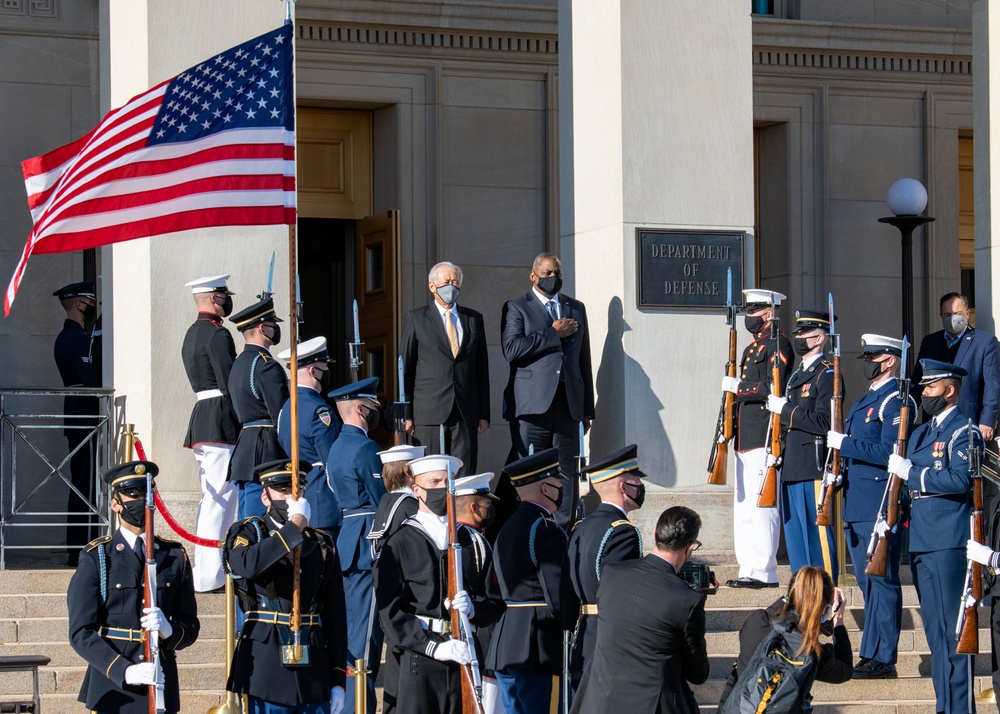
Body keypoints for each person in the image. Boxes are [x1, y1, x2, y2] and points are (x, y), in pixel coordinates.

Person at [67, 461, 200, 713]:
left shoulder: (173, 554)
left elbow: (190, 624)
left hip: (160, 678)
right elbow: (80, 632)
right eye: (134, 494)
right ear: (116, 503)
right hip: (114, 685)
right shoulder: (98, 556)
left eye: (147, 493)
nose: (142, 501)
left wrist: (170, 630)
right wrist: (124, 670)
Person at [886, 359, 980, 714]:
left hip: (949, 541)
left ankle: (960, 709)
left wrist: (913, 473)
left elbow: (960, 480)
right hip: (923, 541)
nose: (924, 393)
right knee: (937, 637)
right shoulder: (923, 433)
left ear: (949, 389)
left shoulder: (963, 431)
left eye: (930, 387)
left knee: (954, 634)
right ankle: (946, 706)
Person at [374, 457, 503, 713]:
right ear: (416, 490)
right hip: (420, 657)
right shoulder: (399, 543)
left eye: (447, 482)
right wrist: (433, 646)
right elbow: (390, 614)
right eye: (434, 481)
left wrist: (475, 610)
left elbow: (496, 603)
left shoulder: (473, 541)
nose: (441, 488)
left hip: (465, 653)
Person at [223, 459, 347, 714]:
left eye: (297, 490)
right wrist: (294, 527)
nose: (291, 496)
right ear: (265, 496)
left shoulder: (321, 543)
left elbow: (335, 616)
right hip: (267, 667)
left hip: (314, 667)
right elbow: (248, 565)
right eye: (282, 489)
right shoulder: (248, 533)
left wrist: (338, 679)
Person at [826, 334, 913, 679]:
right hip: (857, 502)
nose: (867, 361)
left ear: (890, 360)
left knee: (883, 582)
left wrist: (845, 444)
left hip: (879, 503)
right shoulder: (868, 399)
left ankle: (884, 658)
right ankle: (872, 653)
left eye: (873, 356)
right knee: (868, 584)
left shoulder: (895, 400)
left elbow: (890, 453)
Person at [570, 506, 708, 714]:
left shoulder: (611, 575)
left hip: (599, 701)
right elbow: (697, 673)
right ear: (689, 548)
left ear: (655, 534)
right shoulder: (687, 599)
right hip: (652, 706)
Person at [501, 252, 594, 528]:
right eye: (547, 273)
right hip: (532, 408)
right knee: (530, 475)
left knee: (565, 476)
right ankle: (528, 534)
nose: (553, 278)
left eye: (557, 273)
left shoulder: (575, 308)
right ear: (533, 276)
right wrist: (553, 333)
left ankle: (561, 535)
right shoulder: (517, 307)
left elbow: (583, 361)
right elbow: (512, 349)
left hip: (567, 408)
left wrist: (587, 409)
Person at [486, 448, 578, 713]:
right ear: (545, 488)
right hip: (537, 646)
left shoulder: (506, 528)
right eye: (558, 482)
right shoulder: (545, 528)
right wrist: (569, 626)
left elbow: (493, 589)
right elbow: (558, 593)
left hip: (506, 642)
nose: (561, 487)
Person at [721, 289, 793, 588]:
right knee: (745, 507)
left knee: (763, 506)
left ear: (770, 312)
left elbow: (773, 386)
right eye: (747, 311)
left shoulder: (779, 343)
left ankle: (764, 571)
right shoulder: (754, 348)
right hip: (744, 435)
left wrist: (740, 387)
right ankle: (747, 567)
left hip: (764, 432)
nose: (749, 316)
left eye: (754, 311)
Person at [324, 376, 386, 714]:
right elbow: (381, 501)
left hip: (348, 537)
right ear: (361, 409)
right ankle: (357, 707)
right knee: (364, 638)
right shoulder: (365, 448)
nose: (376, 413)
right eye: (373, 407)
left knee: (349, 634)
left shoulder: (335, 447)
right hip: (367, 543)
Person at [766, 309, 841, 581]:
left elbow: (824, 422)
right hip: (792, 466)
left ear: (820, 338)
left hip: (813, 467)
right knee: (797, 542)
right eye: (797, 333)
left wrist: (785, 410)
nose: (799, 338)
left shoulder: (827, 373)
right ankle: (803, 601)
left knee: (817, 542)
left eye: (804, 333)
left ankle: (827, 602)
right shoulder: (797, 375)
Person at [716, 566, 852, 712]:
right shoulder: (811, 650)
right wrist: (838, 619)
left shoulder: (757, 621)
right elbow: (845, 670)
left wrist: (786, 599)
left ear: (791, 592)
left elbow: (774, 616)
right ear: (825, 609)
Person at [566, 444, 645, 691]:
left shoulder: (581, 527)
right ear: (624, 486)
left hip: (583, 640)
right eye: (637, 481)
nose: (641, 487)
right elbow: (621, 595)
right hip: (610, 643)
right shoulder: (623, 531)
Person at [180, 273, 240, 592]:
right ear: (216, 298)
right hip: (219, 422)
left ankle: (206, 572)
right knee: (221, 499)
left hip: (203, 419)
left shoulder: (192, 333)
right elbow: (230, 383)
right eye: (224, 295)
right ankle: (211, 575)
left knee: (211, 498)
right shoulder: (218, 334)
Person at [401, 261, 491, 473]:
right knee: (432, 475)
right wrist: (406, 413)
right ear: (432, 286)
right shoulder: (416, 319)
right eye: (446, 282)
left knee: (464, 475)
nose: (451, 286)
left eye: (455, 282)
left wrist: (484, 413)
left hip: (465, 411)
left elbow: (481, 369)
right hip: (429, 412)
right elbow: (405, 368)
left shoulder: (473, 319)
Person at [367, 443, 425, 714]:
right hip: (408, 597)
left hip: (388, 597)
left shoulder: (387, 502)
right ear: (407, 471)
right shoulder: (409, 506)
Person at [53, 280, 102, 565]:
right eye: (90, 301)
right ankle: (80, 548)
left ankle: (81, 545)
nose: (92, 307)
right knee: (84, 484)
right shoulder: (74, 337)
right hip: (83, 416)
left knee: (83, 482)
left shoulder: (70, 335)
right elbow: (91, 381)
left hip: (78, 416)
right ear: (79, 303)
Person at [227, 296, 289, 519]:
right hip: (265, 447)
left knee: (247, 517)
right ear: (263, 328)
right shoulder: (265, 365)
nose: (276, 330)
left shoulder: (239, 363)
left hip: (246, 446)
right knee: (261, 516)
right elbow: (281, 414)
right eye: (274, 325)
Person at [277, 336, 342, 540]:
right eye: (324, 369)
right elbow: (332, 462)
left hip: (300, 501)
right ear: (313, 371)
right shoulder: (319, 410)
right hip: (324, 504)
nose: (327, 374)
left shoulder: (285, 409)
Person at [912, 292, 1000, 440]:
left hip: (968, 421)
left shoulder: (985, 342)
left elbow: (992, 385)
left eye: (957, 313)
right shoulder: (930, 342)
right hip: (934, 422)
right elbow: (917, 380)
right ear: (940, 315)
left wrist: (988, 421)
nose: (952, 318)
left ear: (967, 314)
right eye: (947, 314)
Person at [454, 472, 507, 714]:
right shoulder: (472, 540)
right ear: (474, 507)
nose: (490, 510)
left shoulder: (459, 535)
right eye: (487, 505)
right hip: (478, 636)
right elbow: (487, 594)